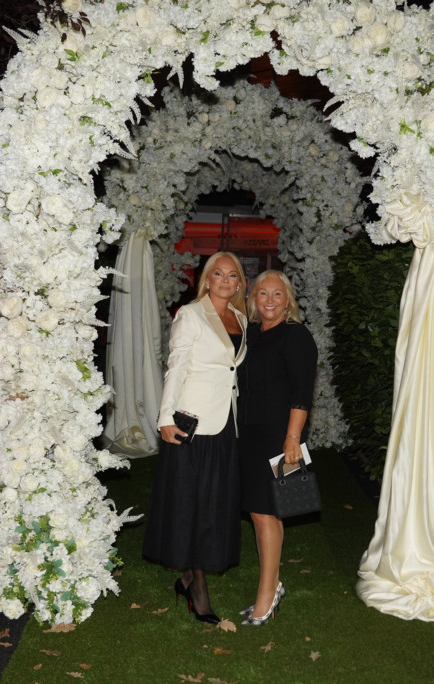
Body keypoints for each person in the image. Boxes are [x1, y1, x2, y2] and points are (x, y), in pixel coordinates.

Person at [142, 251, 248, 624]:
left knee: (214, 502)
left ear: (239, 283)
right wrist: (165, 417)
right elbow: (176, 367)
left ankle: (189, 577)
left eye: (232, 275)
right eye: (218, 273)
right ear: (206, 279)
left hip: (225, 423)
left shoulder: (240, 318)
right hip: (191, 422)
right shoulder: (190, 315)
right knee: (191, 502)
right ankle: (197, 586)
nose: (225, 280)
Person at [236, 270, 318, 626]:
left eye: (277, 294)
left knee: (265, 513)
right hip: (247, 434)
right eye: (262, 293)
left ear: (288, 301)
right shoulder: (250, 334)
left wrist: (293, 439)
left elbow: (302, 392)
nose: (269, 300)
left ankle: (266, 596)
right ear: (253, 299)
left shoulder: (296, 335)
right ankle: (273, 585)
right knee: (265, 512)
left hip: (279, 435)